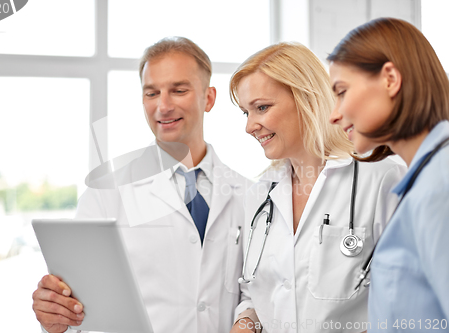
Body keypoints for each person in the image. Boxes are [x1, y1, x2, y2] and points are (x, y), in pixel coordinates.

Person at [32, 37, 251, 333]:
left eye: (179, 90)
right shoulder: (105, 193)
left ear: (208, 98)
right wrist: (55, 316)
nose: (163, 106)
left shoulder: (250, 194)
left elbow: (257, 292)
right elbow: (76, 308)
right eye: (151, 93)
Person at [228, 42, 406, 333]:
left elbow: (414, 291)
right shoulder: (259, 195)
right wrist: (246, 323)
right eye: (246, 113)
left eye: (261, 108)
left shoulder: (382, 177)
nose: (250, 126)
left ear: (306, 99)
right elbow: (255, 293)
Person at [328, 17, 449, 332]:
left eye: (341, 91)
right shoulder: (426, 177)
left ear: (390, 79)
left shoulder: (441, 181)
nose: (334, 115)